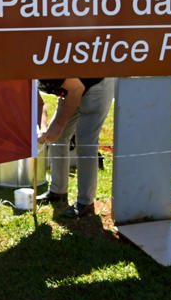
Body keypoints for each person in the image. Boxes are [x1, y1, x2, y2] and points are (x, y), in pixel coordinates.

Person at [37, 77, 114, 218]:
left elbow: (77, 88)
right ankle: (57, 192)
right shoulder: (21, 74)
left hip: (96, 83)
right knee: (58, 139)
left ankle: (86, 202)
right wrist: (43, 128)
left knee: (85, 141)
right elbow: (38, 102)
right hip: (72, 87)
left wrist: (59, 126)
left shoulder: (46, 67)